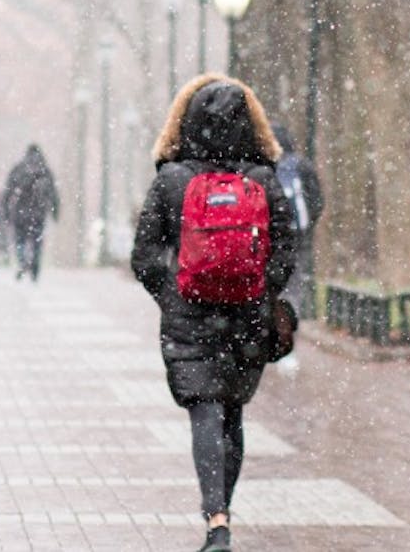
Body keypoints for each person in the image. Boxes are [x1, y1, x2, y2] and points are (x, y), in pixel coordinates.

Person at [130, 74, 294, 552]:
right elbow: (286, 249)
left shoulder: (172, 181)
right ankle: (224, 511)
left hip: (189, 318)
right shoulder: (263, 181)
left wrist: (175, 294)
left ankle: (215, 520)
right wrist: (259, 290)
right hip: (247, 316)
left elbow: (144, 257)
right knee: (232, 414)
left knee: (204, 411)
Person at [269, 123, 324, 341]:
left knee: (273, 277)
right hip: (298, 232)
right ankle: (290, 322)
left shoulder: (265, 168)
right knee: (295, 277)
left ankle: (271, 323)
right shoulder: (301, 165)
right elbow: (317, 199)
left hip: (272, 235)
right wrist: (308, 224)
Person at [3, 144, 60, 282]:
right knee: (37, 241)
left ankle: (22, 260)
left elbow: (8, 192)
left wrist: (6, 212)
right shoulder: (45, 171)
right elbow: (53, 193)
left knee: (20, 239)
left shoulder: (18, 169)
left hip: (20, 213)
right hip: (38, 213)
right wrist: (55, 211)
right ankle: (35, 266)